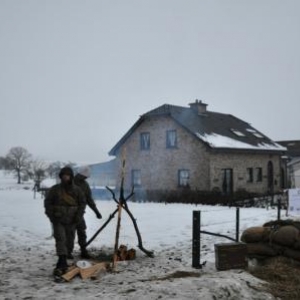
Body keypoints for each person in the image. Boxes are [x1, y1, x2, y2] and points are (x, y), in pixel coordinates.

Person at [44, 166, 86, 276]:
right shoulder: (55, 189)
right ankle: (62, 260)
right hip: (59, 220)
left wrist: (78, 216)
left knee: (69, 241)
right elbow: (48, 203)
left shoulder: (77, 190)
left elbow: (82, 203)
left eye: (67, 175)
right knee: (60, 239)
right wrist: (52, 216)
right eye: (63, 175)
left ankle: (63, 261)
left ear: (71, 176)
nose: (65, 177)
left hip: (72, 220)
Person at [73, 166, 102, 258]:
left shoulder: (85, 185)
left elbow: (89, 199)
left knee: (81, 231)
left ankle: (83, 250)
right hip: (68, 213)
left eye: (86, 177)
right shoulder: (69, 183)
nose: (85, 178)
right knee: (69, 233)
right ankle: (66, 253)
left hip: (80, 213)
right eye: (83, 176)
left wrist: (96, 211)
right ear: (79, 175)